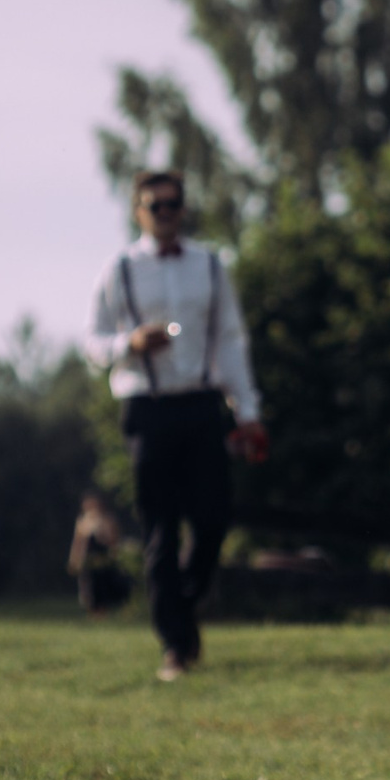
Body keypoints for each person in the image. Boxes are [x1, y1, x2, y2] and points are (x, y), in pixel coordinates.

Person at [87, 170, 269, 681]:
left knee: (213, 519)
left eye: (172, 204)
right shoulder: (118, 268)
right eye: (154, 205)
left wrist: (247, 411)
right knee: (160, 529)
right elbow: (93, 340)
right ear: (138, 211)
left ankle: (182, 609)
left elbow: (231, 340)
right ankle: (174, 644)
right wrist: (129, 344)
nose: (165, 212)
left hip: (202, 405)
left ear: (183, 208)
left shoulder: (210, 265)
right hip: (147, 407)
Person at [67, 490, 133, 615]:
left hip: (104, 561)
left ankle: (105, 615)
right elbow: (78, 543)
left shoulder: (108, 519)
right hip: (89, 563)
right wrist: (74, 560)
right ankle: (94, 616)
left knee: (105, 590)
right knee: (90, 592)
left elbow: (114, 541)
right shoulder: (82, 521)